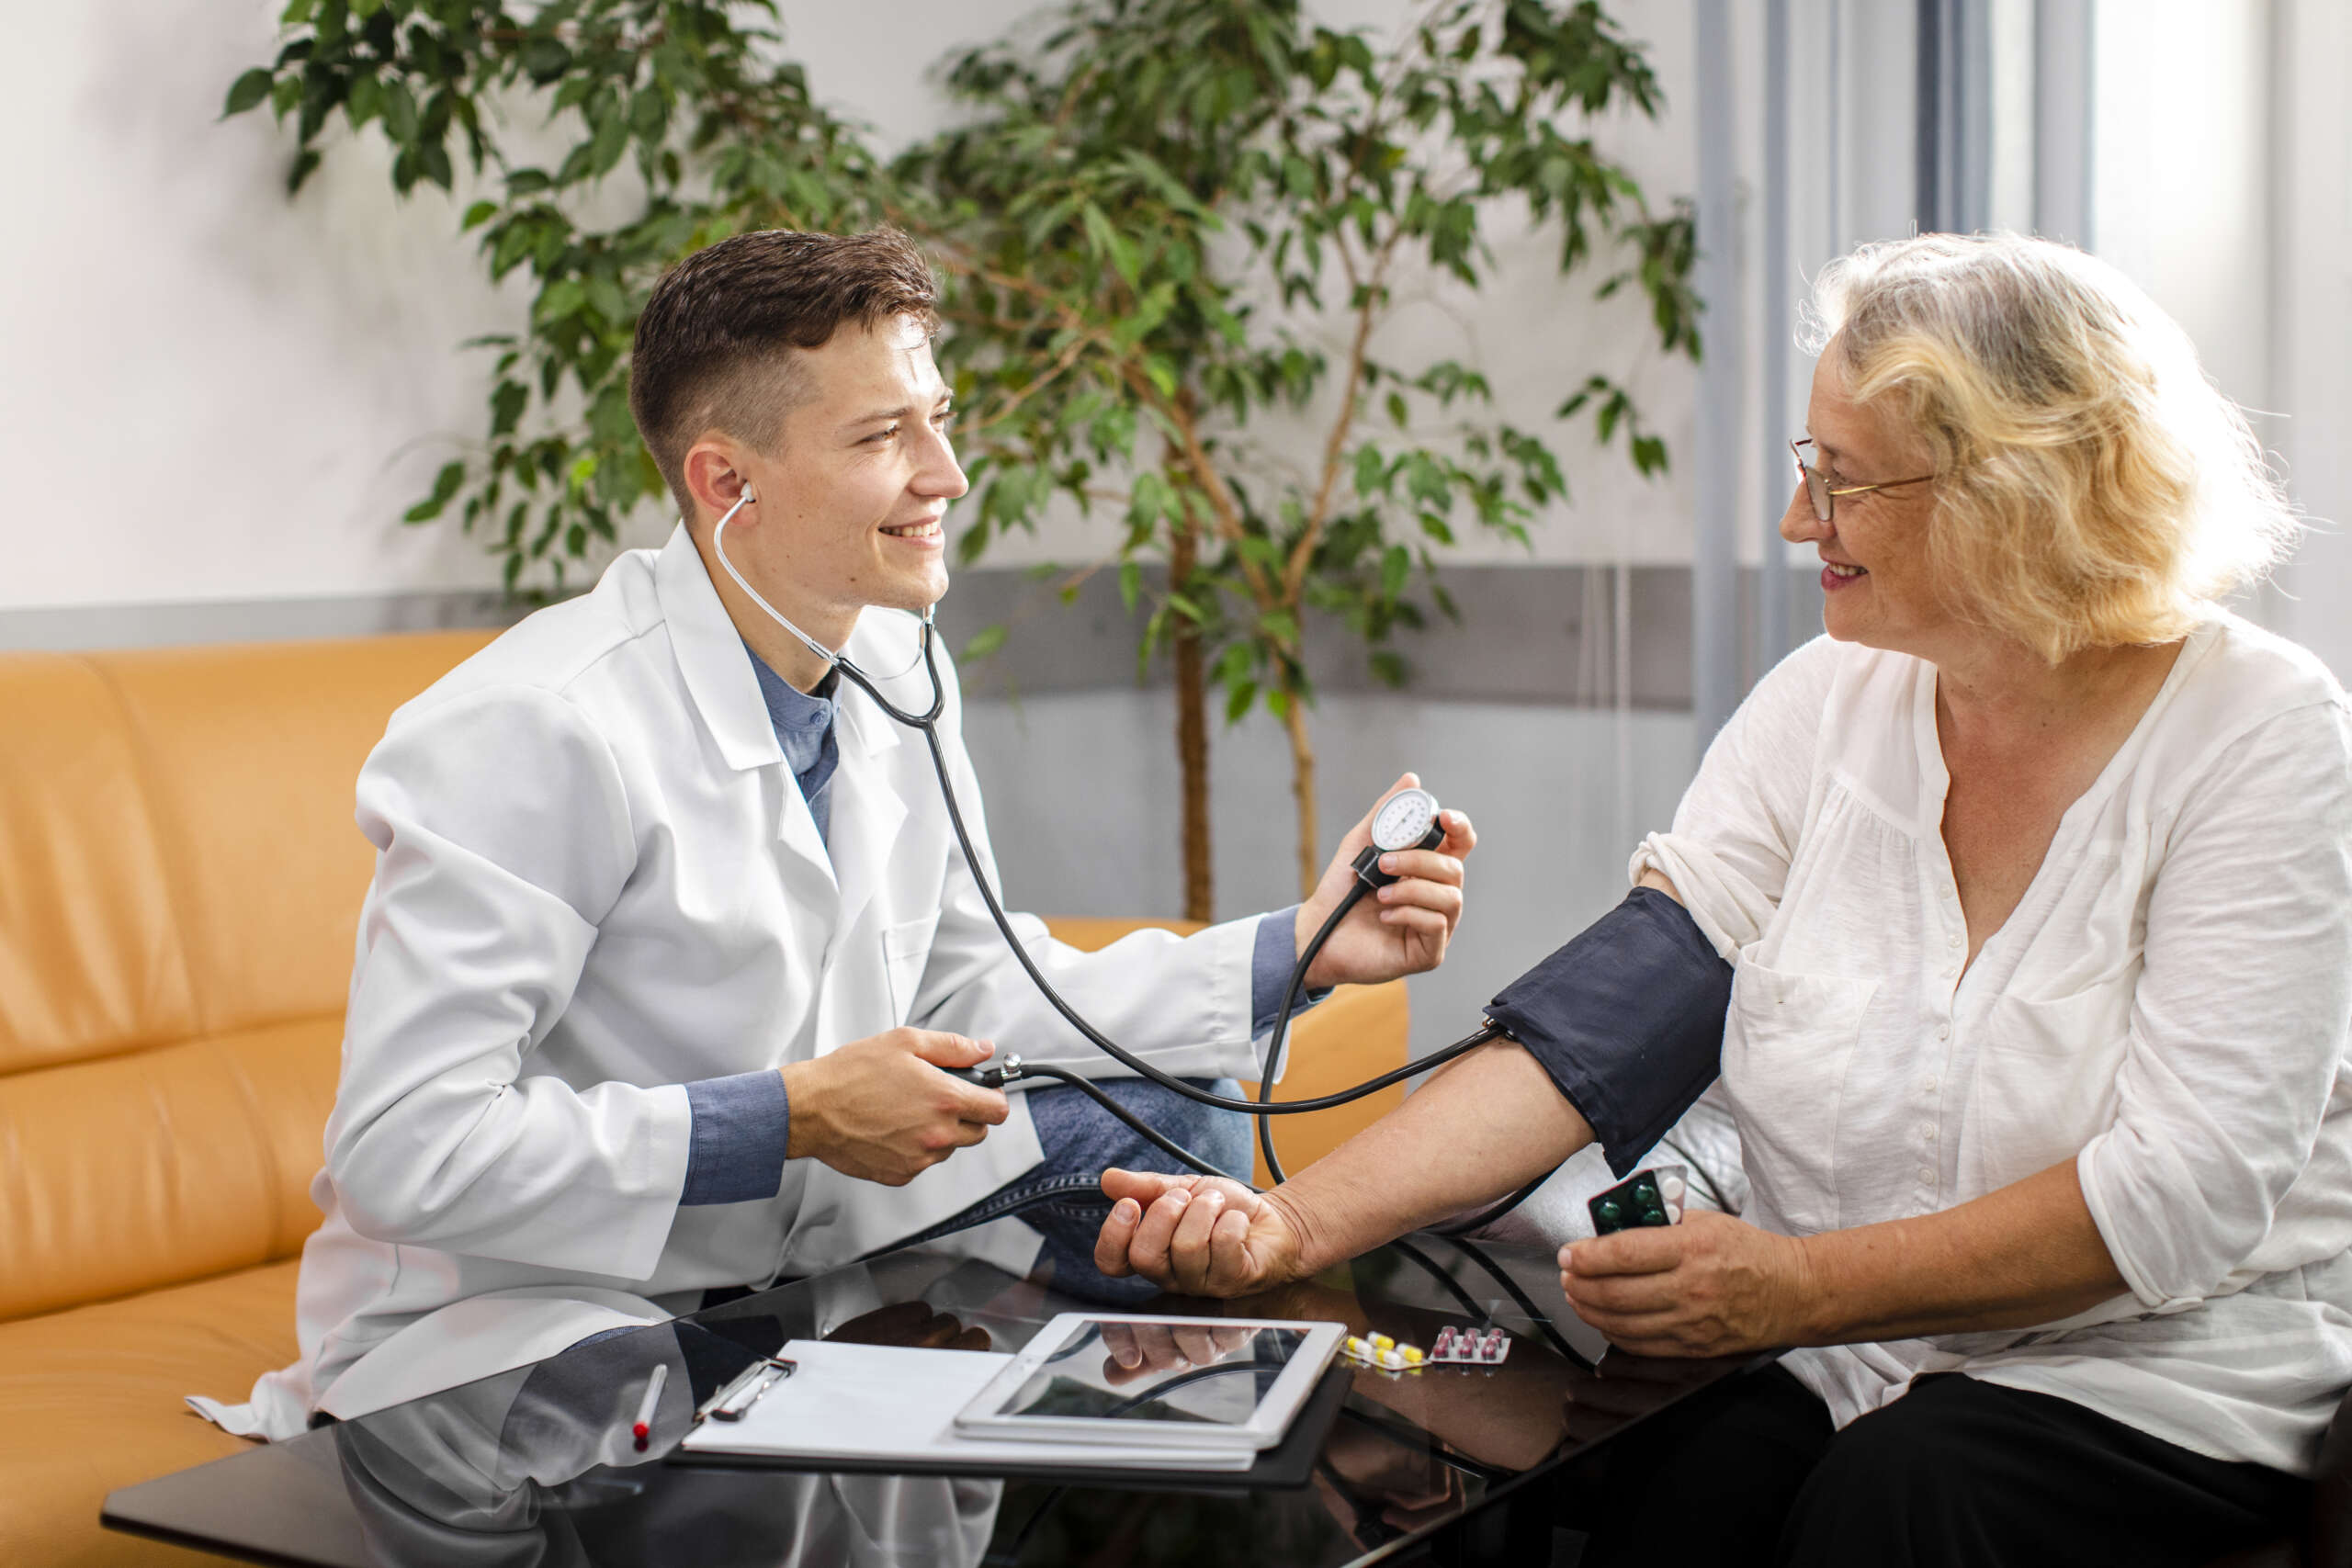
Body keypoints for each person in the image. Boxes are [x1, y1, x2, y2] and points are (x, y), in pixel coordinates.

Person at [1091, 232, 2349, 1566]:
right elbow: (1611, 1029)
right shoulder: (1824, 706)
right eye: (1812, 471)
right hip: (1844, 1359)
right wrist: (1290, 1222)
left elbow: (2181, 1194)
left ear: (2014, 490)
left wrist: (1793, 1286)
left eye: (1844, 480)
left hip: (2144, 1368)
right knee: (1627, 1484)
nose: (1803, 522)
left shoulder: (2261, 735)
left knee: (1901, 1502)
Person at [194, 228, 1474, 1441]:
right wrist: (787, 1117)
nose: (947, 476)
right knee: (696, 1435)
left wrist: (1303, 947)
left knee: (1182, 1122)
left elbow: (978, 987)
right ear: (725, 481)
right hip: (540, 1301)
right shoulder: (537, 727)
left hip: (808, 1240)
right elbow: (404, 1150)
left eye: (940, 421)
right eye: (884, 436)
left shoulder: (891, 655)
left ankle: (1171, 1489)